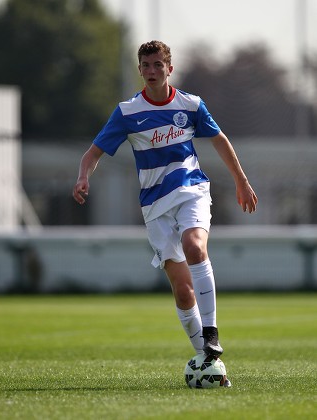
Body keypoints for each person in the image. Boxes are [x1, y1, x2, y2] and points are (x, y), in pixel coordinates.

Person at [73, 40, 257, 380]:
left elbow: (219, 139)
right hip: (155, 207)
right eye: (146, 65)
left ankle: (212, 332)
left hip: (192, 191)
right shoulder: (128, 112)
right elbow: (93, 153)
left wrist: (241, 181)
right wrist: (84, 177)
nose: (152, 71)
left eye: (159, 65)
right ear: (140, 70)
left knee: (194, 246)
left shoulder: (191, 105)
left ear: (169, 69)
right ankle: (206, 356)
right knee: (183, 290)